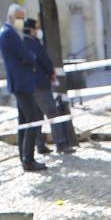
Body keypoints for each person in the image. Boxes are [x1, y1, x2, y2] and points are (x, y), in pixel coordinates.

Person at [0, 2, 46, 173]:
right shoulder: (9, 34)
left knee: (23, 121)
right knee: (32, 119)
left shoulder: (8, 33)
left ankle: (24, 156)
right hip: (21, 82)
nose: (22, 22)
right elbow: (25, 55)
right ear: (11, 17)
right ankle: (28, 158)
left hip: (20, 82)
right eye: (20, 18)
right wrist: (32, 57)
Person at [23, 18, 74, 155]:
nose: (39, 31)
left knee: (37, 116)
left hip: (29, 85)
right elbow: (44, 60)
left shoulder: (23, 43)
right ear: (32, 29)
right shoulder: (33, 44)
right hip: (40, 84)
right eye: (37, 28)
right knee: (52, 113)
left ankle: (40, 145)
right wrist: (51, 72)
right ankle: (61, 143)